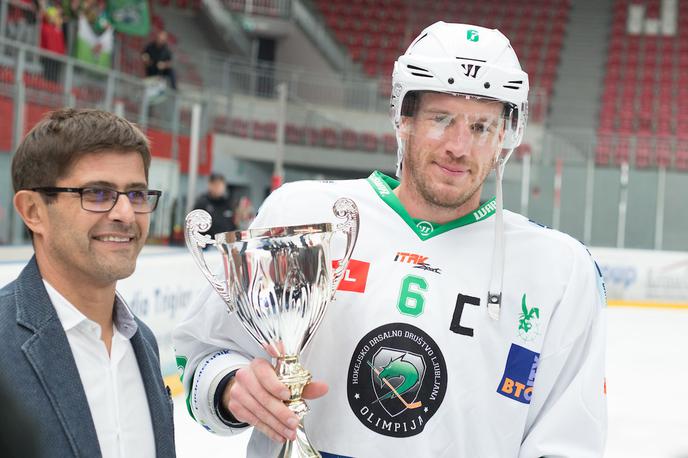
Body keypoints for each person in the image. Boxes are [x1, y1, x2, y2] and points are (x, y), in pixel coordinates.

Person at [173, 22, 607, 457]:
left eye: (480, 127)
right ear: (404, 118)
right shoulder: (303, 217)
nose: (459, 146)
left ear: (504, 137)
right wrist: (231, 388)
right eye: (442, 119)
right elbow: (204, 353)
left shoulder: (560, 270)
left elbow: (569, 437)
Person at [1, 108, 176, 457]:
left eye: (137, 195)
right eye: (97, 193)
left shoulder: (143, 342)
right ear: (34, 211)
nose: (126, 214)